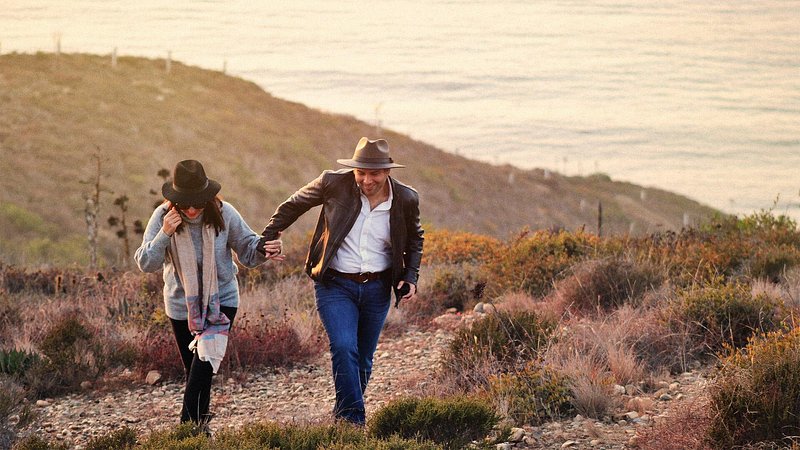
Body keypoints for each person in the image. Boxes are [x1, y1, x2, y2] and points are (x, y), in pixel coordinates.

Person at [260, 137, 424, 425]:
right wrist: (270, 235)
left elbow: (415, 238)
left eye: (374, 174)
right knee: (344, 346)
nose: (366, 180)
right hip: (335, 284)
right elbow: (293, 205)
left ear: (387, 172)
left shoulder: (406, 198)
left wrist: (410, 276)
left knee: (363, 358)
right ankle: (353, 421)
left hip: (377, 288)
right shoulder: (333, 182)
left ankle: (342, 414)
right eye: (361, 172)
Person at [134, 159, 283, 426]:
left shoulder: (225, 214)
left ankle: (186, 430)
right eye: (185, 203)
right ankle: (201, 432)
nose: (192, 210)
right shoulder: (161, 217)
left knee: (203, 367)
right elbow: (147, 263)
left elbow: (248, 250)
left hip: (221, 300)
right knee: (194, 372)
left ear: (208, 196)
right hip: (181, 306)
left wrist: (265, 250)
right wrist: (165, 233)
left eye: (198, 202)